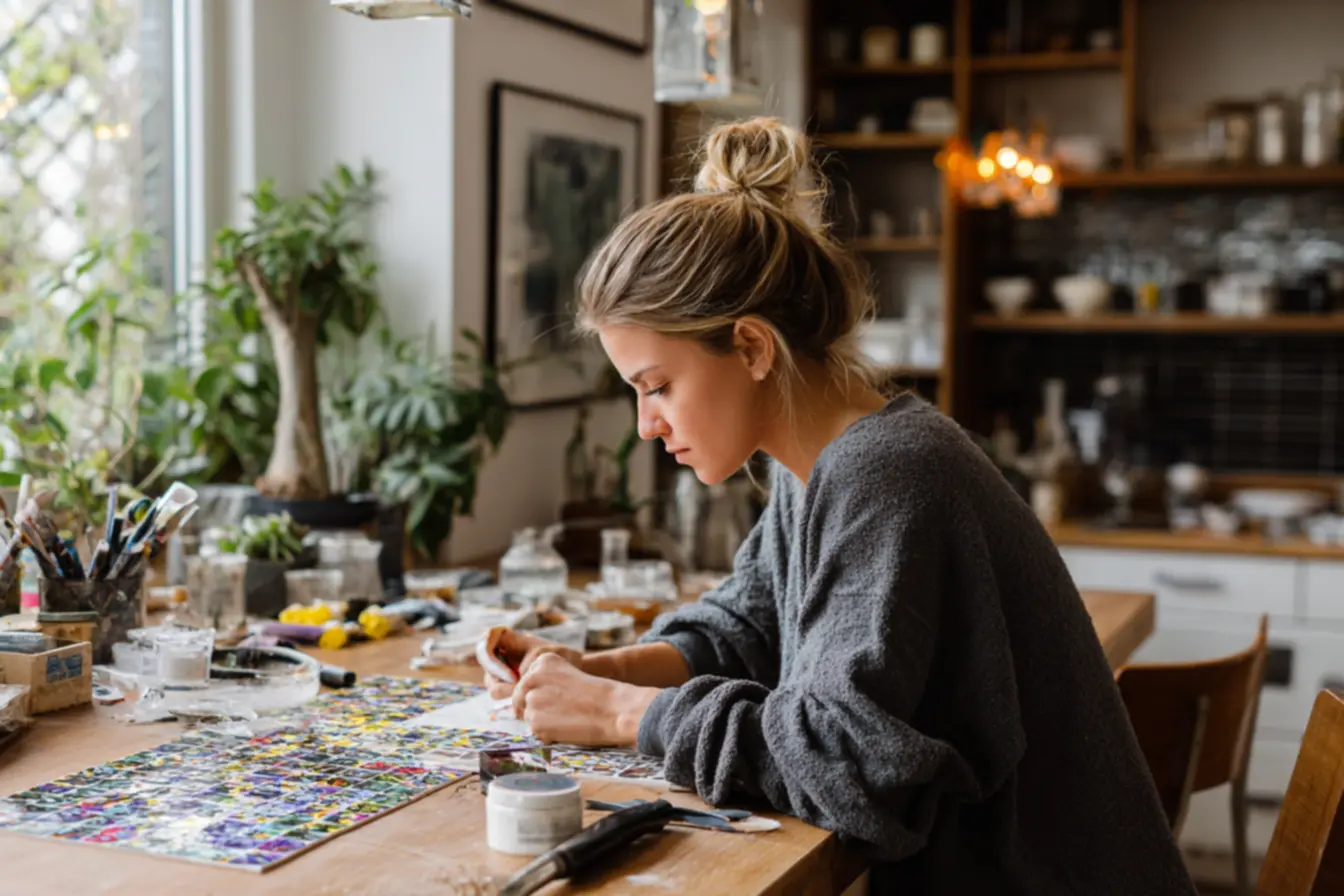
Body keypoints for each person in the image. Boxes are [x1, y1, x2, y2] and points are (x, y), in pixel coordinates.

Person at [486, 116, 1196, 894]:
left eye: (657, 387)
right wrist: (597, 669)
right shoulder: (820, 463)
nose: (647, 423)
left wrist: (624, 713)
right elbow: (749, 625)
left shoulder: (889, 474)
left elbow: (845, 766)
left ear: (753, 347)